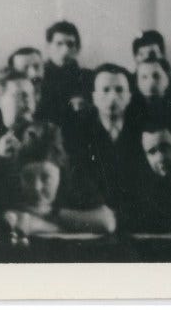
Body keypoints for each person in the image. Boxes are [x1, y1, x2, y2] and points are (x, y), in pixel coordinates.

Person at [0, 68, 66, 214]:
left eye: (30, 95)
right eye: (19, 95)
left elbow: (57, 172)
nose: (27, 100)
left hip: (34, 211)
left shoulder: (48, 131)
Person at [62, 63, 143, 223]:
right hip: (93, 215)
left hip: (136, 215)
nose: (113, 97)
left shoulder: (142, 130)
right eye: (105, 90)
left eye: (119, 90)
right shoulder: (77, 130)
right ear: (94, 97)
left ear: (129, 96)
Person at [0, 148, 117, 237]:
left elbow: (108, 222)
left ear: (60, 175)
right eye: (28, 177)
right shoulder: (10, 189)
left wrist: (51, 214)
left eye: (46, 177)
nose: (36, 187)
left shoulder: (74, 184)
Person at [40, 21, 95, 120]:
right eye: (59, 44)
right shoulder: (39, 77)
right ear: (48, 47)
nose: (65, 50)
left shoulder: (89, 77)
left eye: (70, 44)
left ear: (78, 48)